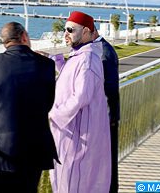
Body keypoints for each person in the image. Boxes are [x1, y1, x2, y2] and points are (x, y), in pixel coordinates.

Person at [0, 21, 58, 193]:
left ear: (5, 42)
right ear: (24, 36)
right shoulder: (46, 65)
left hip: (4, 147)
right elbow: (48, 102)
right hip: (35, 144)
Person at [49, 11, 111, 193]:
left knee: (71, 184)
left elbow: (81, 96)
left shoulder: (87, 59)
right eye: (64, 30)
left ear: (85, 31)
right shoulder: (81, 56)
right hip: (73, 134)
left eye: (70, 30)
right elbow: (73, 80)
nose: (65, 34)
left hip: (76, 137)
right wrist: (56, 61)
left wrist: (54, 114)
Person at [93, 27, 120, 193]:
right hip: (106, 116)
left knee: (108, 163)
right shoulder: (101, 49)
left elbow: (109, 88)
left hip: (106, 118)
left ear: (90, 31)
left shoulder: (103, 52)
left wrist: (108, 117)